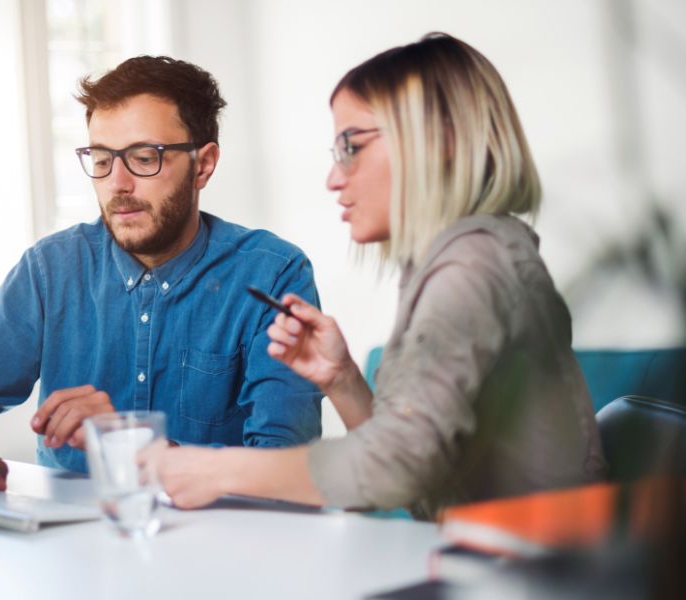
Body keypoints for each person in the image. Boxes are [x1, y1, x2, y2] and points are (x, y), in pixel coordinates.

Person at [155, 33, 607, 520]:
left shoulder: (473, 267)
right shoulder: (456, 259)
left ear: (442, 138)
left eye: (352, 146)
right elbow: (421, 470)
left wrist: (216, 470)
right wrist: (342, 378)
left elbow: (396, 468)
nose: (334, 177)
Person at [0, 56, 323, 492]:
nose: (117, 183)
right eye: (101, 159)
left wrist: (133, 442)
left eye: (143, 157)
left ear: (203, 165)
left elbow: (290, 472)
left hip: (217, 548)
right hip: (70, 549)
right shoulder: (50, 271)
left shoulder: (272, 275)